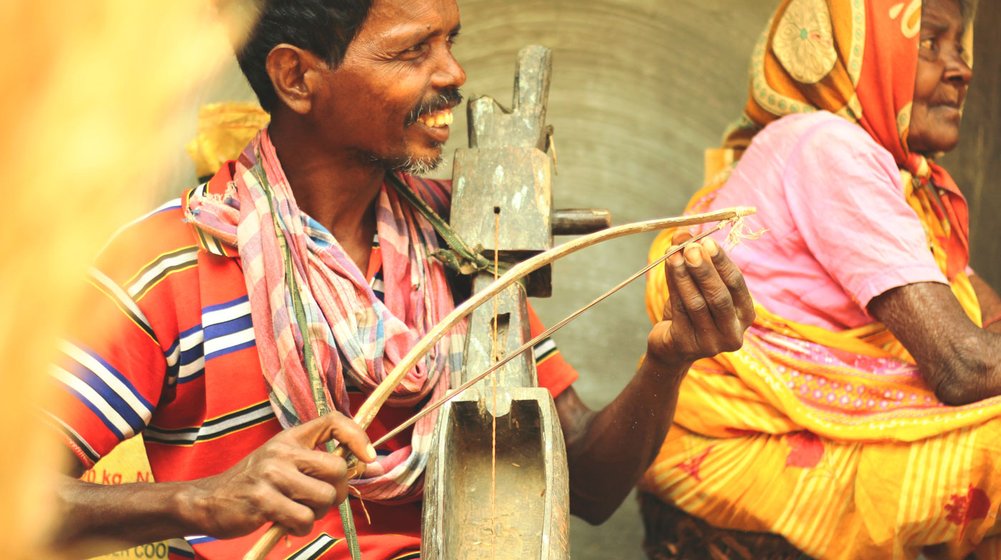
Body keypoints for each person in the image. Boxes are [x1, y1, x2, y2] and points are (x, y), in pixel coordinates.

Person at [47, 0, 754, 558]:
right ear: (297, 77)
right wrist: (202, 500)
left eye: (448, 40)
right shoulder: (169, 262)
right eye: (412, 50)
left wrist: (668, 361)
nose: (452, 73)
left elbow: (589, 488)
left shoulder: (462, 243)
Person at [641, 0, 1001, 558]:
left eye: (959, 45)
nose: (961, 68)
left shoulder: (902, 177)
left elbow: (981, 312)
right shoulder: (826, 146)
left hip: (789, 435)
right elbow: (964, 366)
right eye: (928, 42)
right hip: (745, 454)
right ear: (858, 53)